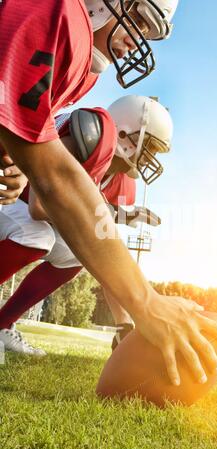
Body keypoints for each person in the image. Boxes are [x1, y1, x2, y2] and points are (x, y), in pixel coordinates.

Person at [0, 1, 217, 387]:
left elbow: (97, 232)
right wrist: (146, 302)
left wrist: (16, 165)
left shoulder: (82, 72)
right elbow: (52, 187)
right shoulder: (61, 17)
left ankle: (4, 323)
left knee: (75, 248)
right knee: (39, 234)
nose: (137, 39)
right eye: (139, 19)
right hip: (21, 217)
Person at [0, 96, 171, 355]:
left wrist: (123, 325)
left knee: (76, 256)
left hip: (25, 214)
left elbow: (107, 253)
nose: (151, 158)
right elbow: (39, 207)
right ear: (124, 132)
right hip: (10, 194)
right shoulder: (93, 134)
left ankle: (3, 324)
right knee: (38, 236)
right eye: (150, 146)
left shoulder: (124, 185)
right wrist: (108, 213)